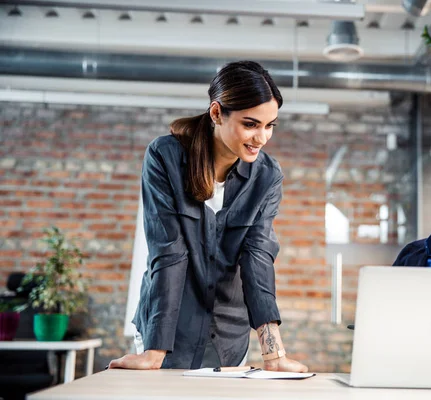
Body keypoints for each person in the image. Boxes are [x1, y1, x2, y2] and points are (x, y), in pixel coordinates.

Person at [109, 61, 308, 372]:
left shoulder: (267, 175)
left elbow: (258, 257)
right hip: (168, 331)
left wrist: (274, 354)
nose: (262, 137)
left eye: (270, 125)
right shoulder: (165, 157)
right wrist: (155, 351)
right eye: (251, 124)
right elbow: (169, 250)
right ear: (217, 113)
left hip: (229, 334)